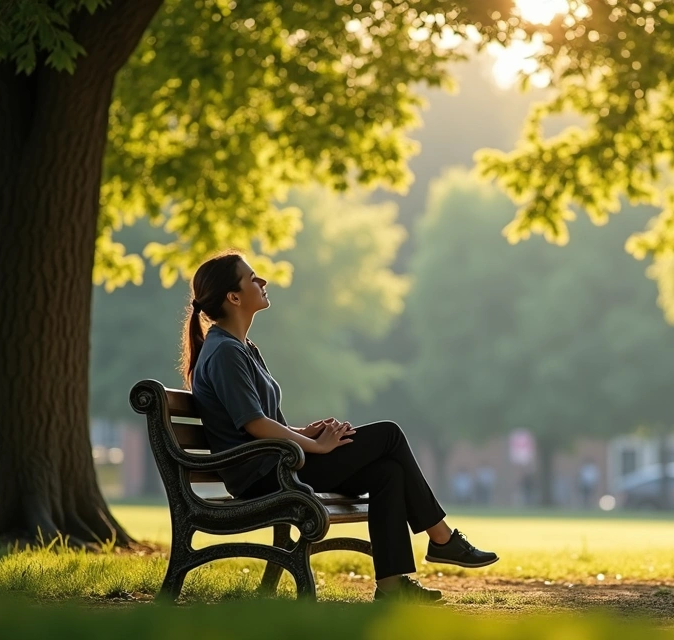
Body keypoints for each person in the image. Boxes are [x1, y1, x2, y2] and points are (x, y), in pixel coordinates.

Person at [183, 252, 497, 603]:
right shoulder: (225, 352)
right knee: (388, 434)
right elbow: (254, 424)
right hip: (263, 475)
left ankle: (393, 585)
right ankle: (442, 539)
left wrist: (307, 433)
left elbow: (261, 422)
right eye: (253, 277)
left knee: (388, 473)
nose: (263, 282)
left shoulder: (242, 348)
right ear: (234, 297)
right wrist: (314, 446)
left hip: (277, 463)